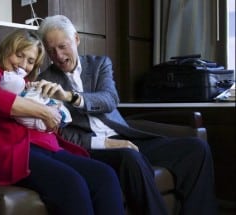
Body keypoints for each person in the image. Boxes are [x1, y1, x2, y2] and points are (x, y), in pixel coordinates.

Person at [36, 15, 218, 215]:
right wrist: (107, 144)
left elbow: (109, 99)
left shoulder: (99, 64)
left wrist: (71, 97)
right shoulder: (46, 81)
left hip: (125, 136)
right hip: (94, 148)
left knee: (196, 148)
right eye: (51, 50)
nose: (59, 56)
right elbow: (62, 133)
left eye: (63, 46)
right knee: (131, 157)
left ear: (76, 39)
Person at [0, 29, 125, 215]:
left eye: (30, 61)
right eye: (19, 55)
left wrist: (54, 117)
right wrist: (44, 112)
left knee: (105, 175)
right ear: (6, 50)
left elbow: (51, 120)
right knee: (71, 183)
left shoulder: (29, 85)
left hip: (47, 147)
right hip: (13, 151)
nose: (22, 64)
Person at [0, 67, 72, 131]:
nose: (24, 65)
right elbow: (35, 123)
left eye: (30, 61)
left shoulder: (26, 91)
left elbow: (39, 93)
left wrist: (32, 87)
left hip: (53, 108)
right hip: (52, 119)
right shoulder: (19, 109)